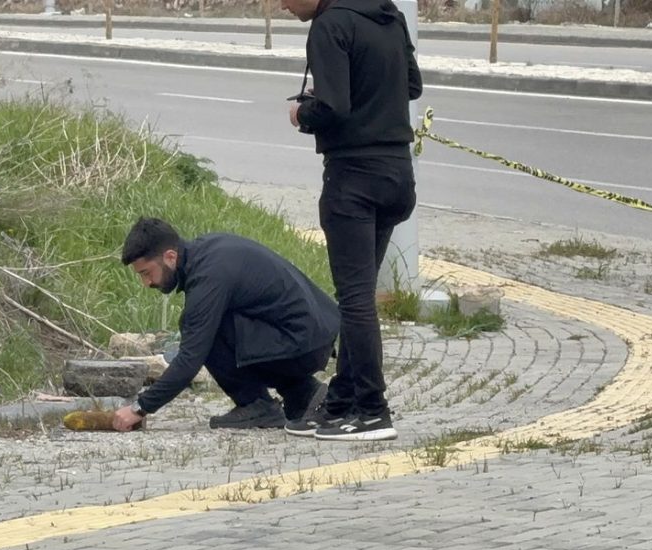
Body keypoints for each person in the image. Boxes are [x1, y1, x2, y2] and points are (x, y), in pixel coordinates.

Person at [281, 0, 422, 441]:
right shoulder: (389, 14)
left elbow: (334, 107)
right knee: (356, 296)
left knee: (356, 301)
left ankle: (372, 410)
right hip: (398, 175)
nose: (281, 5)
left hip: (354, 180)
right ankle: (340, 401)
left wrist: (302, 113)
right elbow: (412, 86)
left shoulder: (330, 25)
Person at [112, 217, 340, 433]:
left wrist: (139, 408)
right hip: (312, 336)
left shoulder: (208, 277)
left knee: (204, 330)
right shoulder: (208, 252)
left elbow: (190, 358)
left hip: (305, 344)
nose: (146, 283)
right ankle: (303, 394)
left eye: (146, 273)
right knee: (205, 323)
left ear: (170, 257)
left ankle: (257, 405)